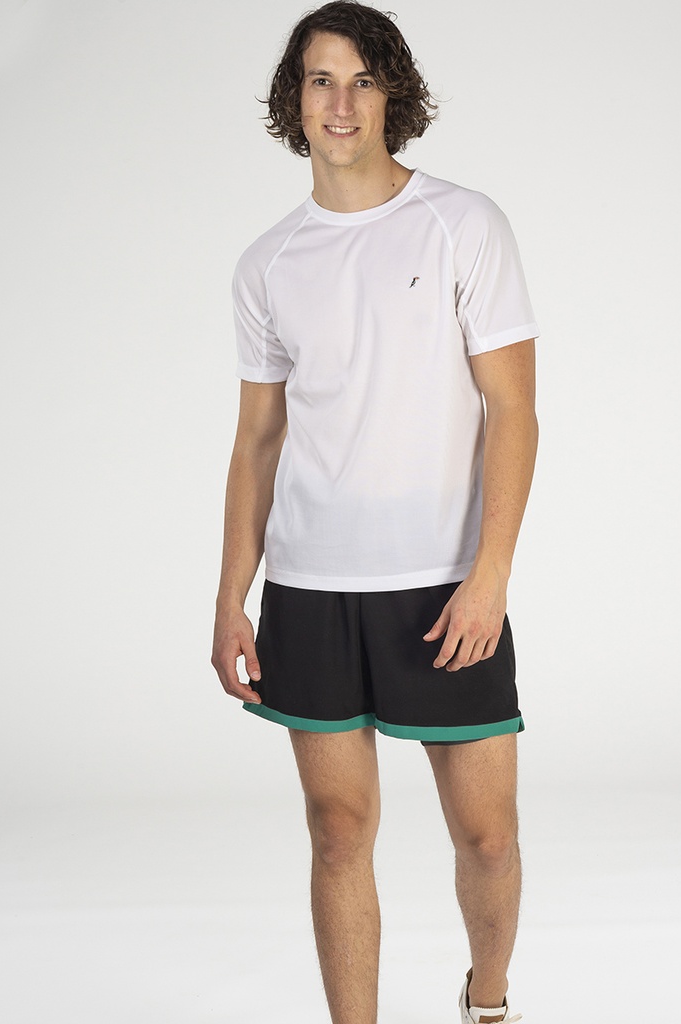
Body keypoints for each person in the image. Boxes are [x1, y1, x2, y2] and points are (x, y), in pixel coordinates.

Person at [211, 3, 539, 1022]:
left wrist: (490, 575)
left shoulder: (463, 223)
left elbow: (514, 412)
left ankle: (487, 1001)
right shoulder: (269, 262)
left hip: (444, 585)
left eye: (362, 79)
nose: (341, 102)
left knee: (486, 835)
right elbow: (257, 441)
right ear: (295, 99)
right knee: (338, 831)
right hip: (311, 587)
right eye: (321, 80)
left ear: (393, 93)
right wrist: (230, 598)